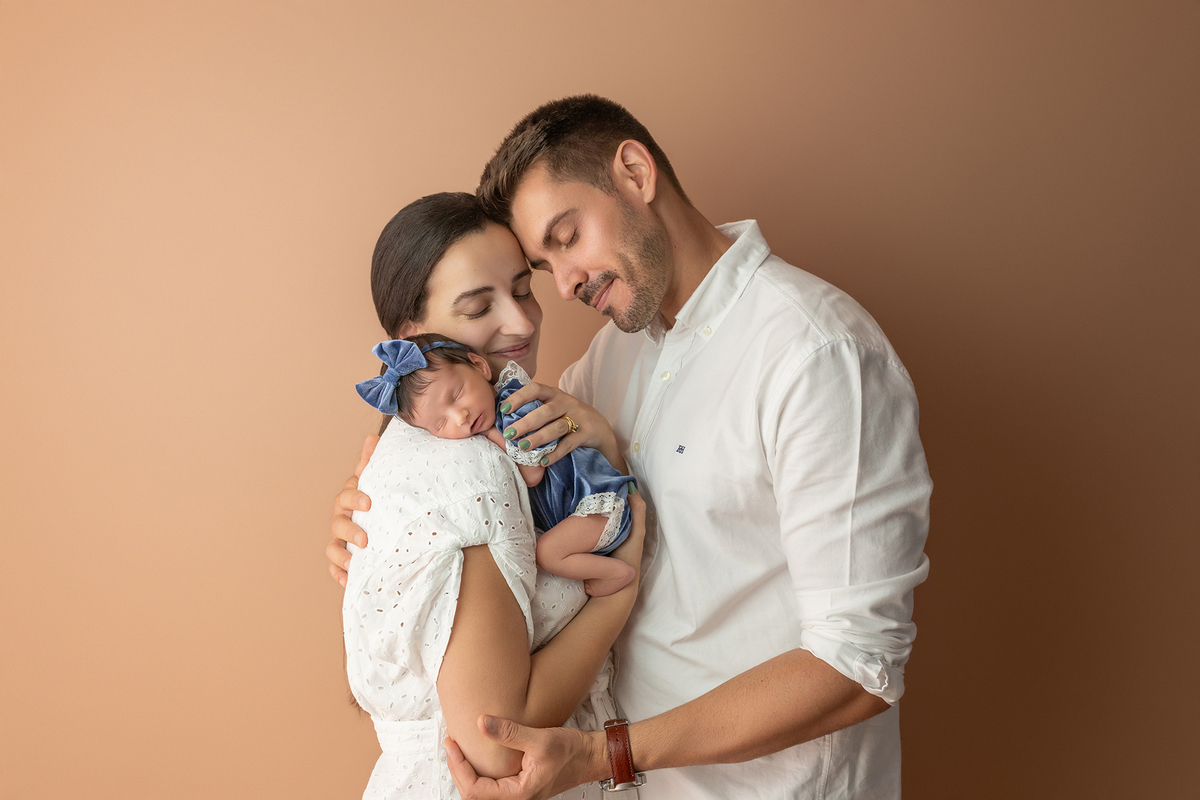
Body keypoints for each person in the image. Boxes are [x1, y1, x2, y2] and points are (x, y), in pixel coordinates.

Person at [330, 96, 931, 800]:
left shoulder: (818, 355)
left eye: (567, 236)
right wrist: (384, 535)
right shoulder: (606, 364)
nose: (563, 286)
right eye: (544, 264)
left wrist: (604, 754)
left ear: (636, 173)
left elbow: (857, 665)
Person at [339, 191, 647, 800]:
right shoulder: (472, 470)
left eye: (524, 289)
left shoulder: (438, 446)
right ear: (414, 341)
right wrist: (617, 597)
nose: (523, 323)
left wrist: (603, 446)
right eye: (480, 306)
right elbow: (497, 744)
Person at [354, 333, 636, 596]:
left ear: (479, 366)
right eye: (441, 423)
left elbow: (533, 474)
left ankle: (617, 574)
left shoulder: (516, 409)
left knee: (547, 553)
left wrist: (493, 435)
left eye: (457, 395)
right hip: (574, 511)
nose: (460, 417)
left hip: (595, 501)